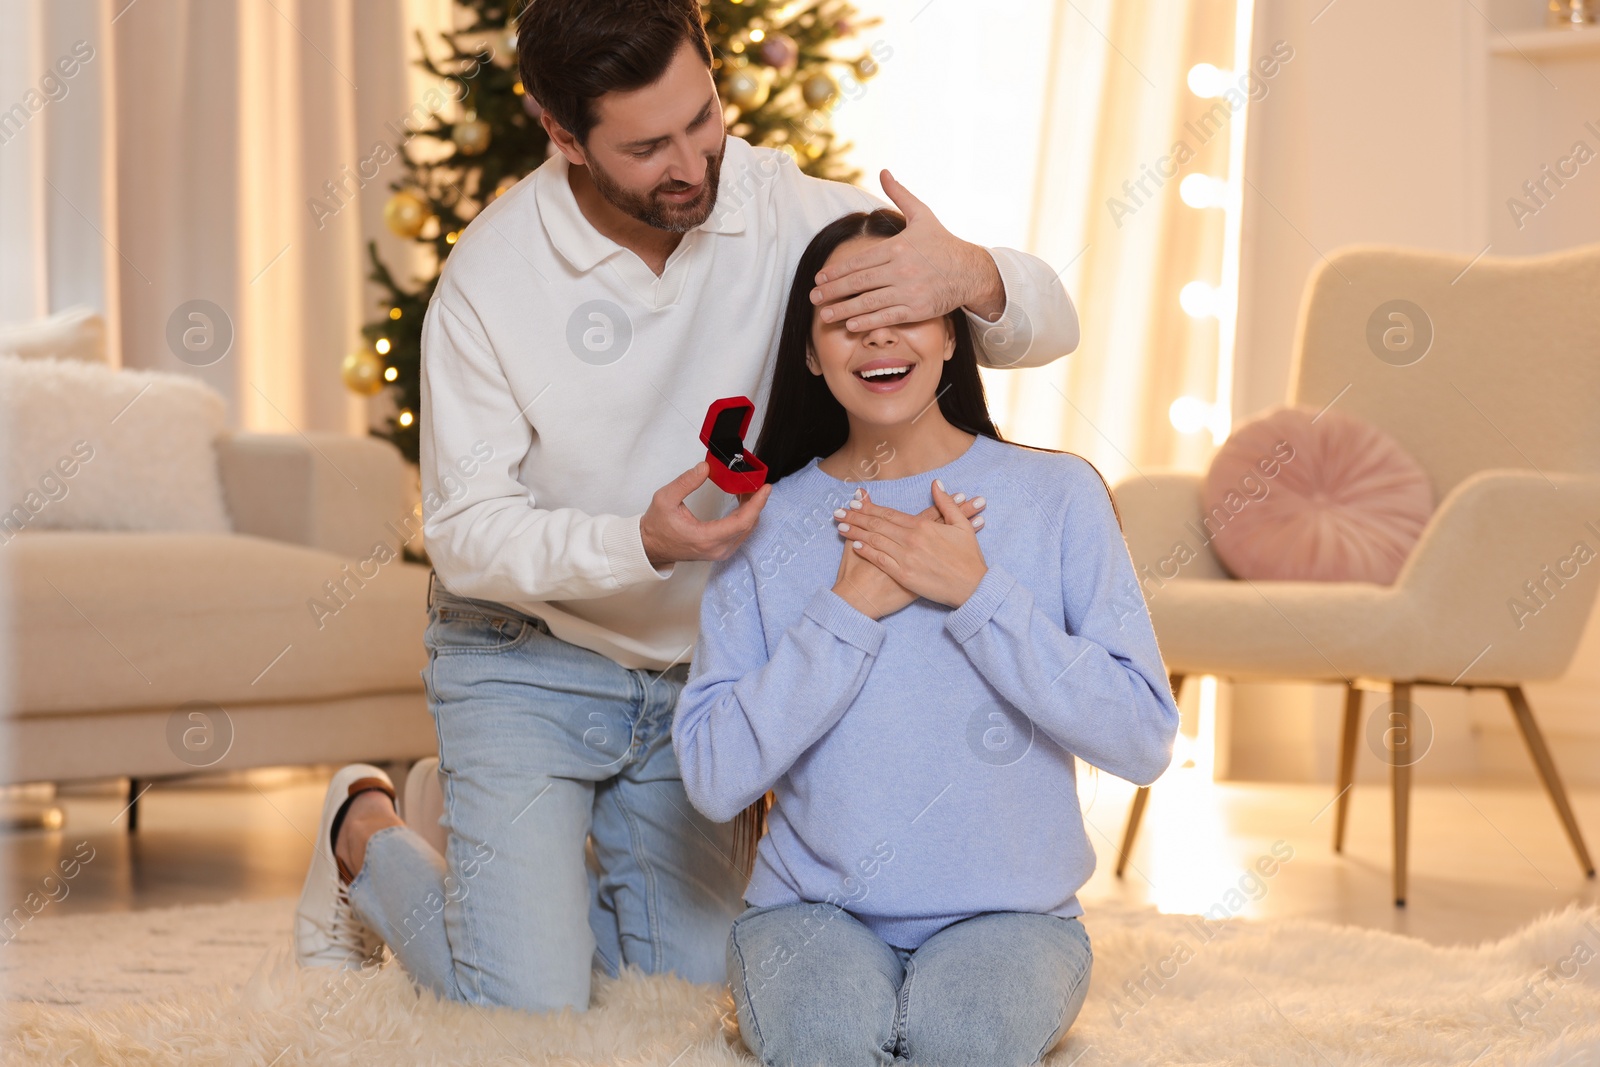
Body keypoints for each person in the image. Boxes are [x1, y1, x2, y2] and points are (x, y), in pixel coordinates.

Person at [293, 0, 1083, 1016]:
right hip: (524, 657)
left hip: (692, 682)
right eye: (648, 145)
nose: (693, 162)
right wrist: (640, 540)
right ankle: (364, 830)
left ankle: (512, 866)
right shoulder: (491, 281)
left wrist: (970, 272)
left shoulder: (784, 209)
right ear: (562, 132)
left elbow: (1044, 325)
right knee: (527, 1010)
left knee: (682, 996)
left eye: (701, 118)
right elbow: (463, 530)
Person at [673, 209, 1180, 1067]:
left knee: (960, 1044)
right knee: (829, 1044)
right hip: (811, 917)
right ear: (808, 350)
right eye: (846, 321)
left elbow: (1142, 736)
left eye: (904, 311)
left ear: (952, 334)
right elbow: (713, 775)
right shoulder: (766, 525)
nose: (879, 340)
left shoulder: (1058, 497)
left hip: (1013, 920)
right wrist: (844, 612)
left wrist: (979, 595)